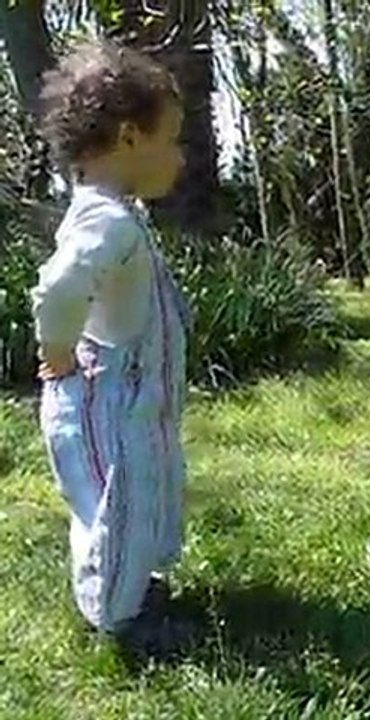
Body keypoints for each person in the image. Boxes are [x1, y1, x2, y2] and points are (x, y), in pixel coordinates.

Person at [30, 39, 193, 649]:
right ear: (129, 138)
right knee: (117, 504)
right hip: (111, 402)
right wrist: (58, 349)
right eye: (171, 141)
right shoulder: (108, 220)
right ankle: (119, 621)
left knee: (133, 496)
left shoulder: (110, 212)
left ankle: (128, 587)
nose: (179, 158)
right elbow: (58, 286)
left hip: (129, 395)